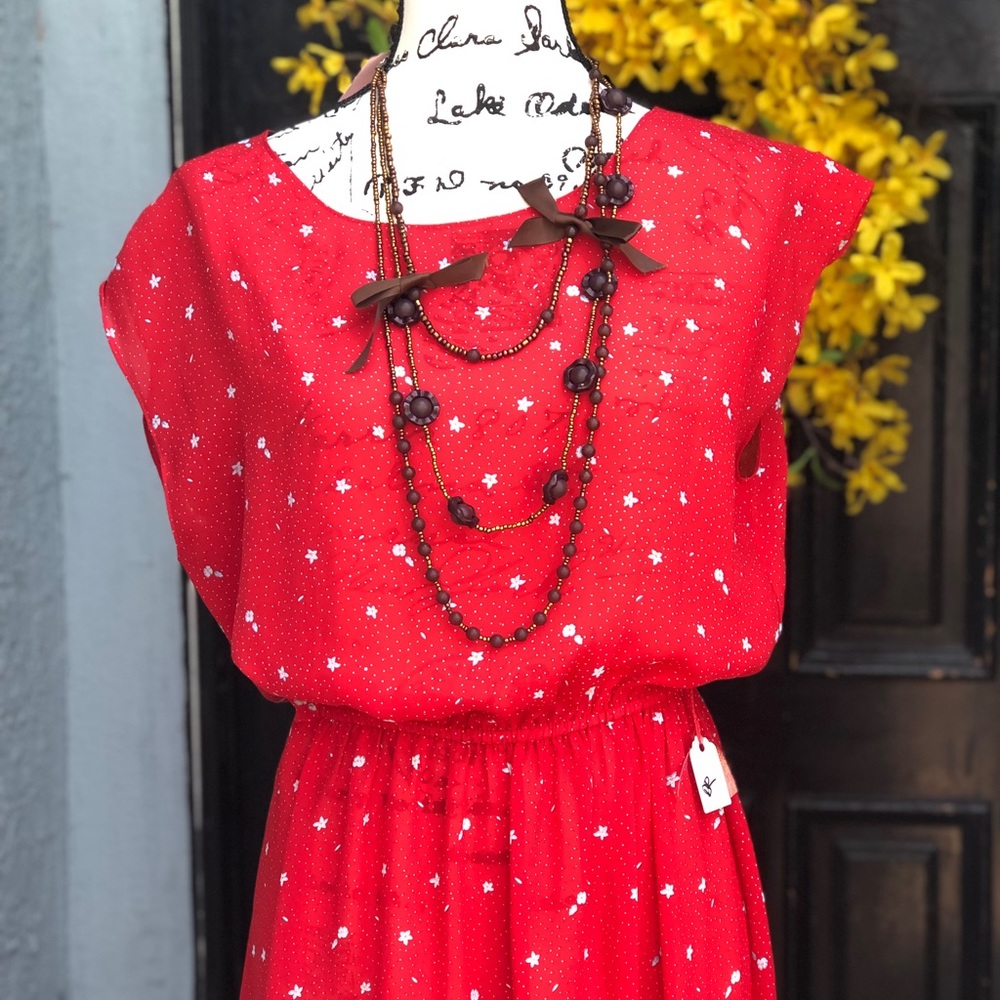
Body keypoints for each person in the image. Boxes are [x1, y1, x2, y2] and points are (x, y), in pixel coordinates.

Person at [99, 0, 875, 995]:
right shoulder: (221, 220)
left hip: (638, 834)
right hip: (368, 845)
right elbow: (228, 535)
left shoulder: (742, 199)